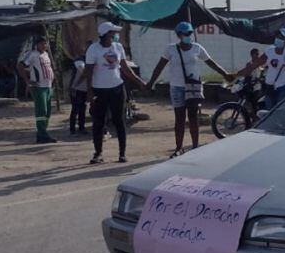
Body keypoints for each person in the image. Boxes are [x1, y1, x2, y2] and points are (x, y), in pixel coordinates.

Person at [146, 22, 234, 158]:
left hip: (193, 87)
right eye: (186, 33)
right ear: (179, 35)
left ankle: (195, 147)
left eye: (190, 33)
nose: (189, 36)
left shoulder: (197, 48)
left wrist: (224, 73)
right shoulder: (170, 49)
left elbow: (210, 62)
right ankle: (179, 148)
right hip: (177, 87)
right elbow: (159, 67)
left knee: (193, 117)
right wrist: (151, 82)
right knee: (179, 118)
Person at [79, 22, 147, 164]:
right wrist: (89, 91)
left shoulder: (118, 47)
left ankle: (122, 153)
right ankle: (98, 153)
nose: (115, 35)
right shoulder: (93, 49)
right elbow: (89, 71)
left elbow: (125, 67)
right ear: (105, 34)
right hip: (99, 90)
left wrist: (138, 81)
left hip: (117, 88)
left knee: (119, 121)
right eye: (113, 33)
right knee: (99, 122)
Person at [18, 36, 58, 144]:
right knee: (41, 111)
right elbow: (20, 66)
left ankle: (41, 133)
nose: (44, 45)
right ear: (37, 44)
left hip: (48, 86)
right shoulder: (32, 54)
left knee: (47, 112)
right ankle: (43, 135)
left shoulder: (46, 55)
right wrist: (27, 80)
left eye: (45, 43)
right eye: (41, 43)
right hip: (38, 87)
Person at [239, 28, 285, 107]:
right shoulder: (270, 51)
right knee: (268, 113)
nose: (277, 39)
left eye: (281, 37)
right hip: (269, 88)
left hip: (283, 89)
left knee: (279, 114)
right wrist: (236, 75)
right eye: (277, 37)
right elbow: (254, 65)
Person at [69, 47, 89, 134]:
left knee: (83, 109)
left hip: (85, 89)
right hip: (76, 89)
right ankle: (72, 129)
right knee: (75, 109)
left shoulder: (90, 60)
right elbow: (83, 71)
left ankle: (81, 128)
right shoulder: (79, 60)